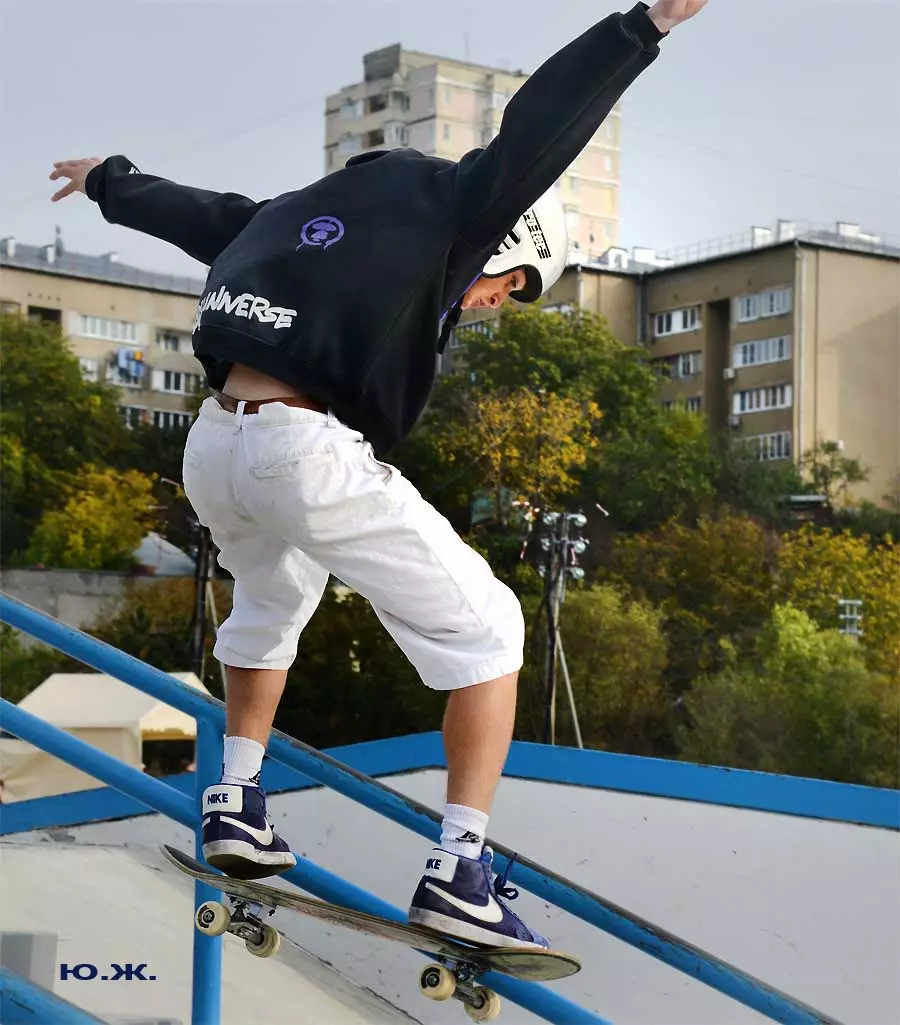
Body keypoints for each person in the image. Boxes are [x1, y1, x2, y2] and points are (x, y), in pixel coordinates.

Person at [51, 0, 709, 950]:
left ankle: (234, 799)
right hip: (301, 448)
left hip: (215, 444)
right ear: (507, 245)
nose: (490, 303)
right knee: (492, 630)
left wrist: (107, 180)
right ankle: (460, 871)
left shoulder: (300, 215)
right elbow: (543, 125)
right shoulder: (463, 210)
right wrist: (645, 25)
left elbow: (199, 216)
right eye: (510, 287)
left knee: (271, 602)